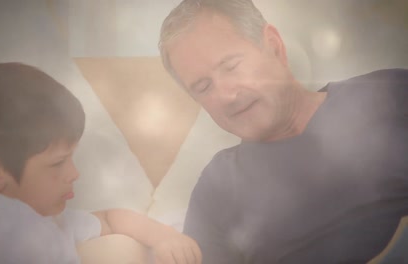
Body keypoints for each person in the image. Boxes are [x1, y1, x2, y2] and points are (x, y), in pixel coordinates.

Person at [159, 0, 408, 263]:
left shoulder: (391, 96)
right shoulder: (216, 188)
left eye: (231, 66)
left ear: (274, 46)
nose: (226, 95)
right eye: (203, 86)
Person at [0, 62, 201, 264]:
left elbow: (111, 217)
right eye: (58, 163)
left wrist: (165, 237)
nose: (74, 173)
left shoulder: (49, 217)